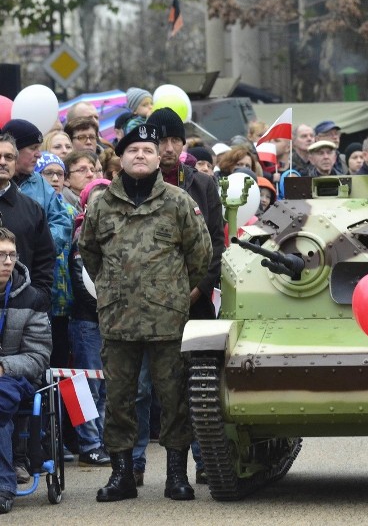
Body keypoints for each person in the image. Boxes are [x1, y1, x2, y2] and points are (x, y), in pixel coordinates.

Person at [78, 123, 212, 503]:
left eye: (148, 150)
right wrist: (114, 288)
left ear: (158, 158)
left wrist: (169, 292)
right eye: (133, 149)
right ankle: (122, 475)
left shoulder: (177, 201)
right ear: (120, 157)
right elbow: (89, 253)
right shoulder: (102, 202)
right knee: (119, 400)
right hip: (118, 320)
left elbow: (200, 255)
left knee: (174, 400)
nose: (140, 155)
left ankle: (176, 476)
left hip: (167, 320)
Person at [130, 107, 225, 486]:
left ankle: (205, 459)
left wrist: (196, 290)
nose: (168, 148)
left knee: (198, 383)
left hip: (194, 300)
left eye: (174, 140)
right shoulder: (135, 183)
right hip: (143, 306)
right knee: (139, 388)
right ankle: (135, 462)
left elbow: (217, 246)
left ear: (184, 144)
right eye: (161, 141)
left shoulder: (202, 185)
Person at [0, 227, 52, 514]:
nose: (8, 261)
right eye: (1, 255)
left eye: (11, 255)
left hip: (15, 377)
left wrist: (4, 366)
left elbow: (39, 355)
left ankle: (3, 486)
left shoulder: (31, 298)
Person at [68, 179, 112, 468]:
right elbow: (84, 287)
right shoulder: (81, 237)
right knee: (85, 385)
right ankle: (89, 443)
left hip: (112, 321)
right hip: (87, 321)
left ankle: (102, 439)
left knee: (107, 386)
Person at [0, 134, 55, 298]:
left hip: (22, 308)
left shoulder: (32, 209)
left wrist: (38, 297)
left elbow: (45, 259)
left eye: (8, 157)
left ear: (15, 163)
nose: (2, 162)